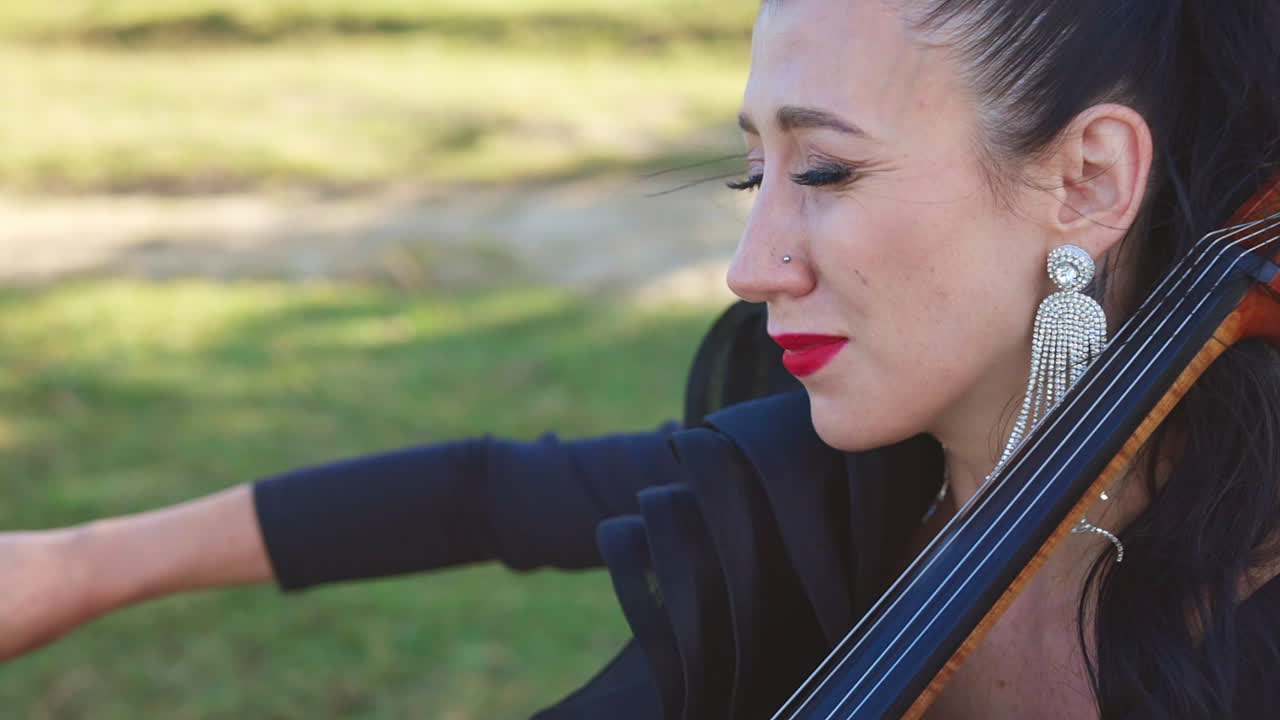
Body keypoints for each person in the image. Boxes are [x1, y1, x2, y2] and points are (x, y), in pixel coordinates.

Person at [3, 0, 1279, 717]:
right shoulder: (815, 496)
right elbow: (482, 493)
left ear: (1087, 178)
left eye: (825, 170)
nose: (750, 259)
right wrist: (73, 566)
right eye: (752, 169)